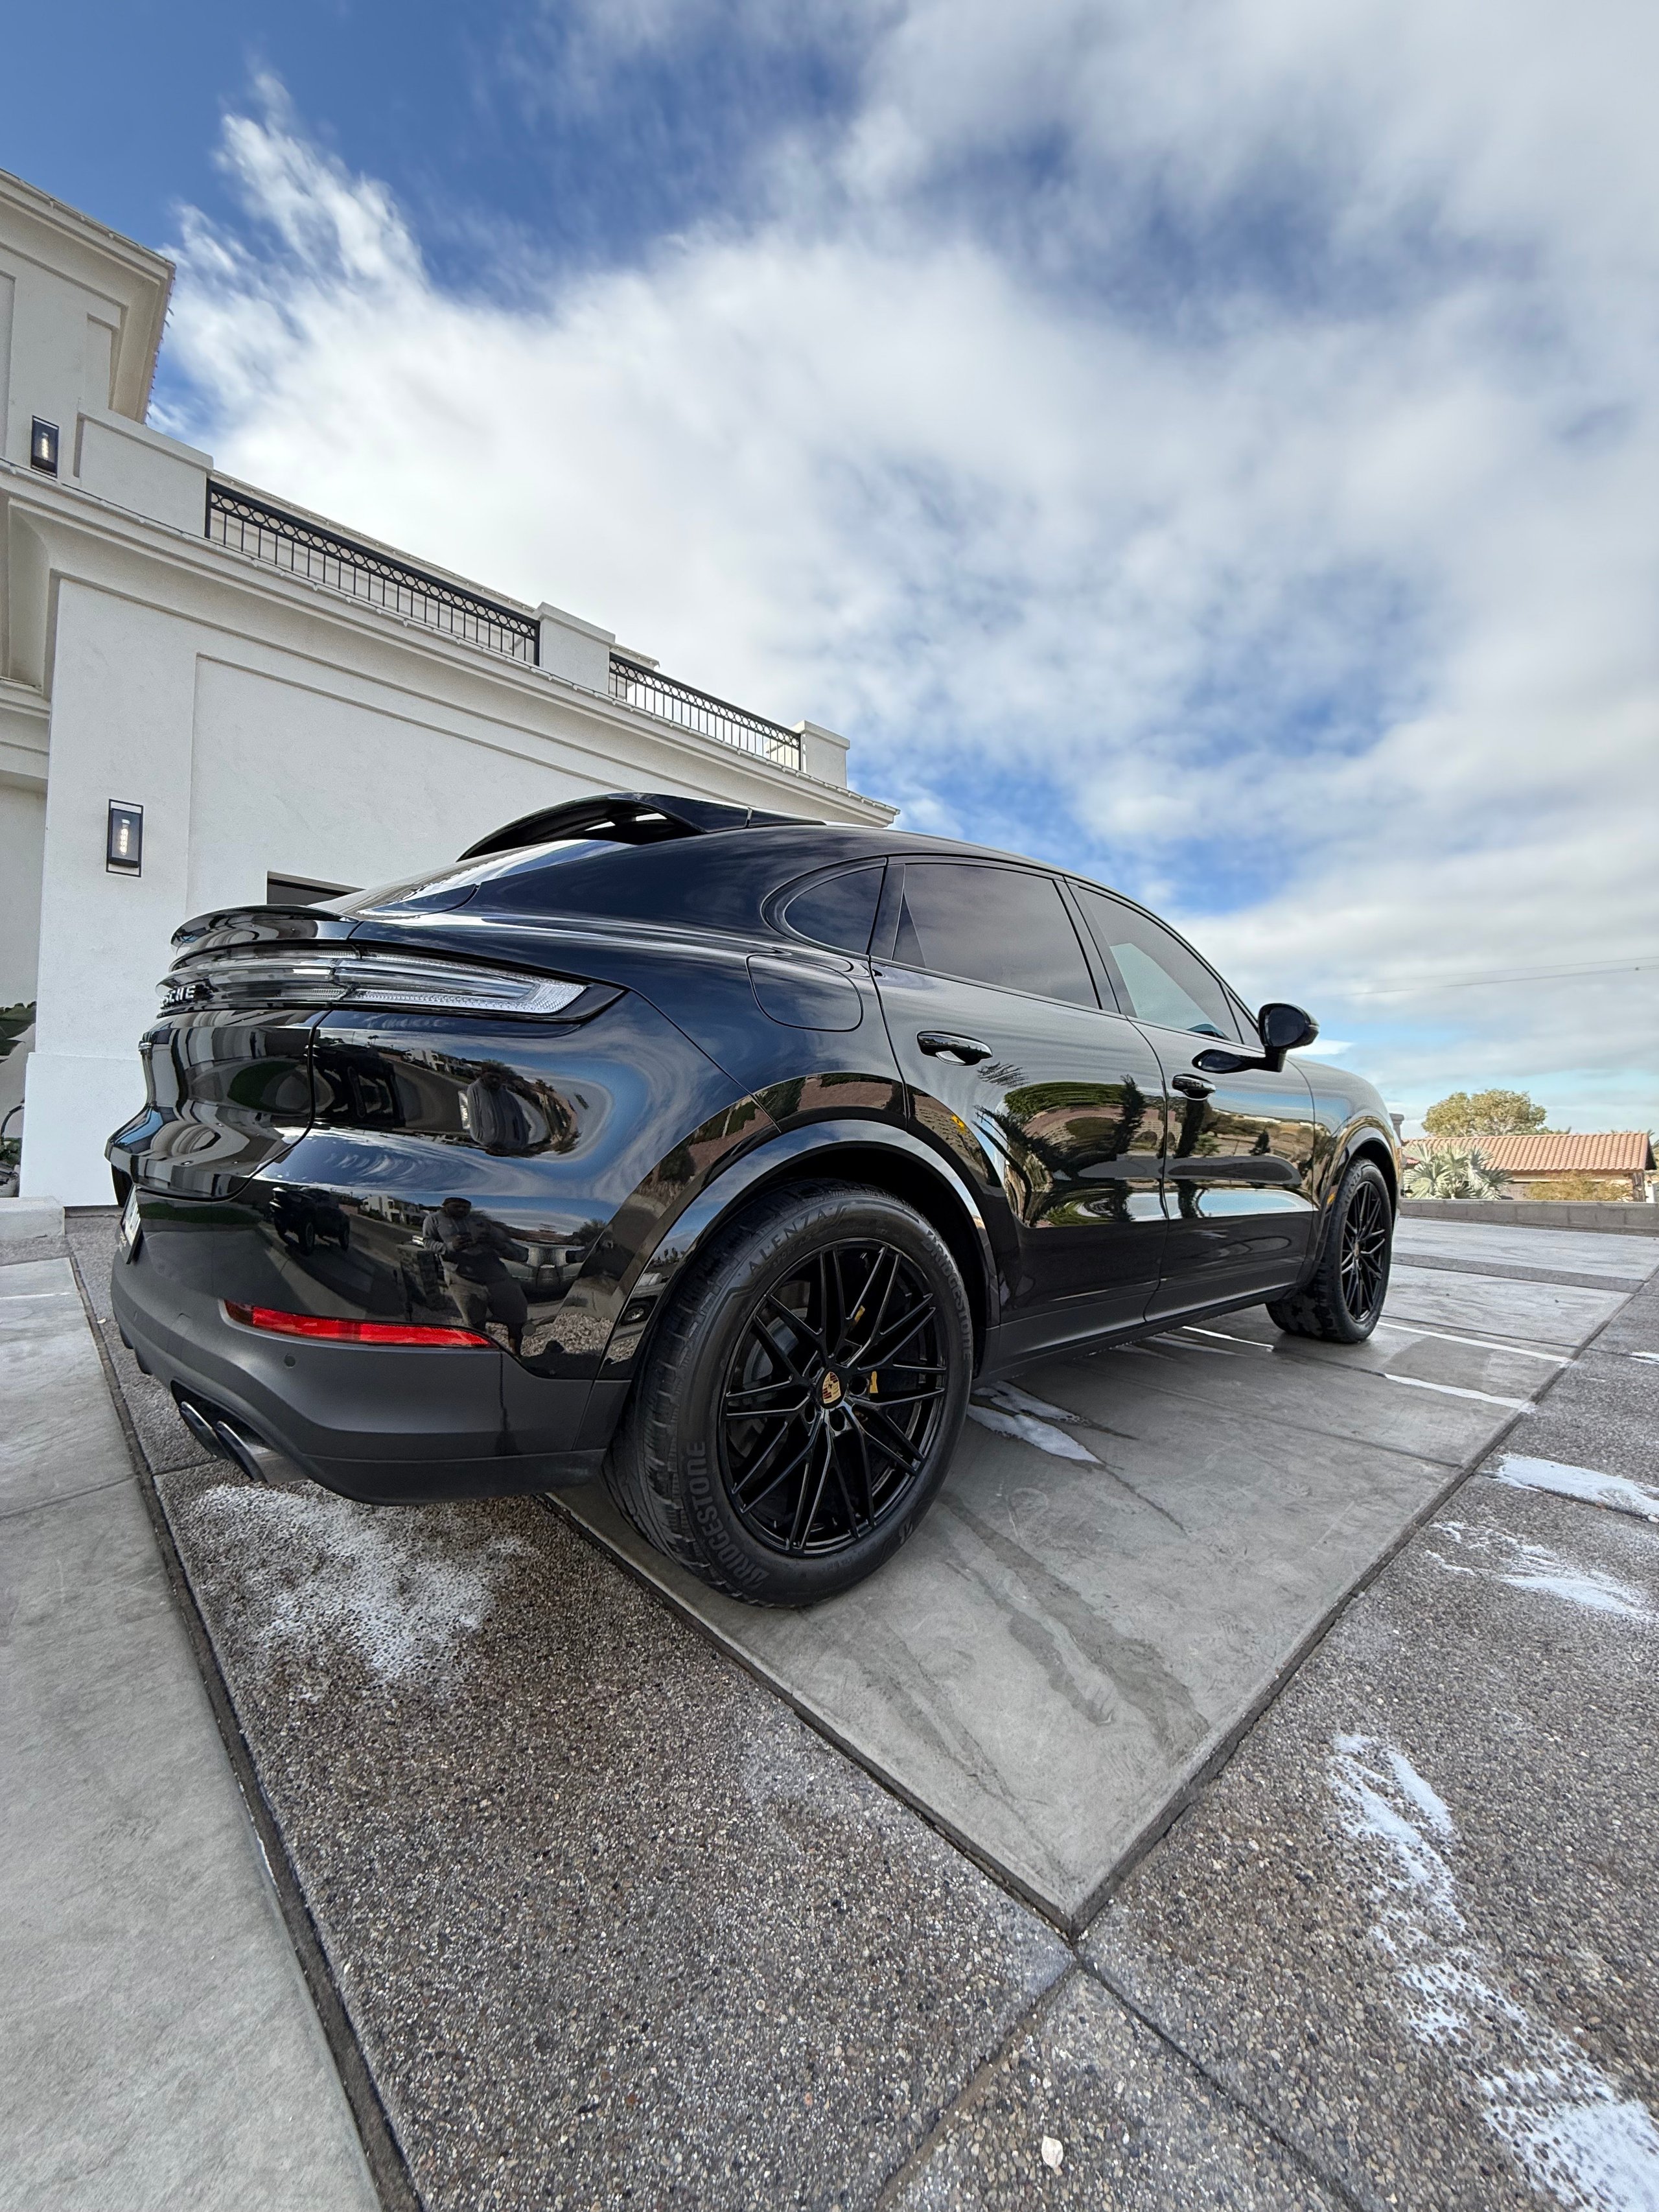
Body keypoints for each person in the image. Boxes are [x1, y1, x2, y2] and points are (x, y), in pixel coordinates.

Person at [421, 1195, 529, 1353]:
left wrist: (493, 1242)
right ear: (445, 1205)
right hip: (462, 1280)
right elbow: (427, 1242)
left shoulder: (479, 1221)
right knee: (474, 1323)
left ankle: (516, 1354)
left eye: (466, 1207)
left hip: (497, 1276)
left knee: (517, 1319)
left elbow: (512, 1248)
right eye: (457, 1206)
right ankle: (480, 1353)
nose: (462, 1210)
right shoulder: (433, 1220)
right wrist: (450, 1247)